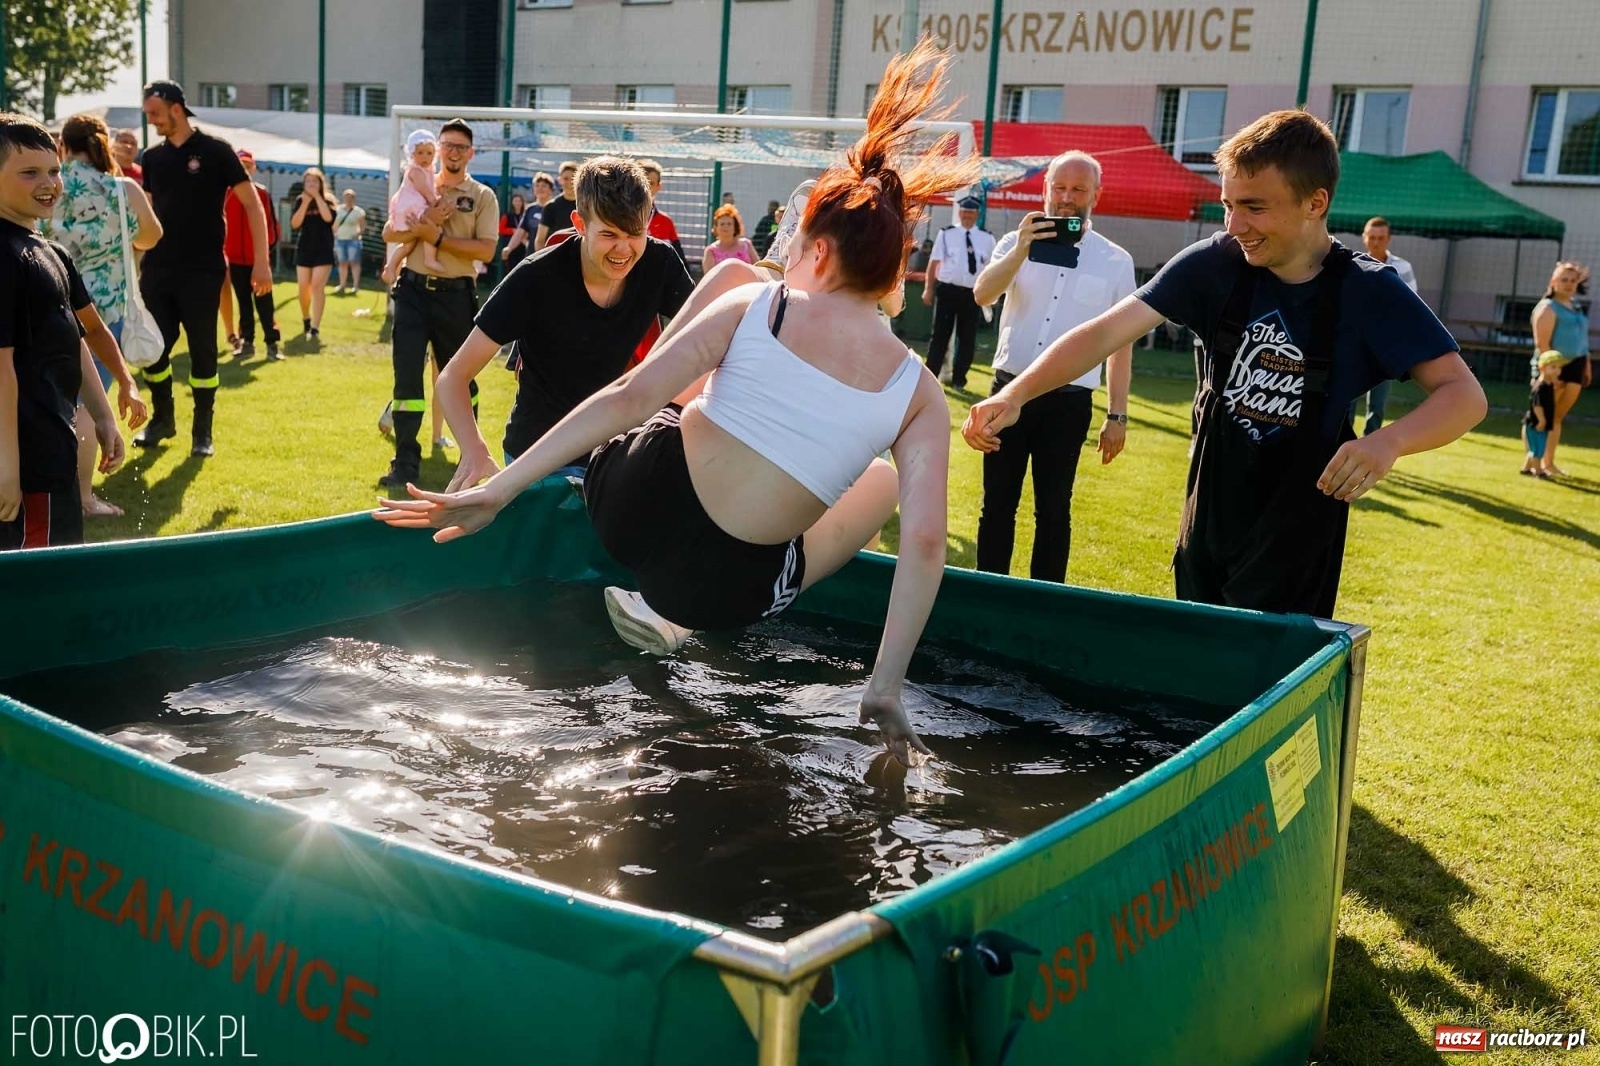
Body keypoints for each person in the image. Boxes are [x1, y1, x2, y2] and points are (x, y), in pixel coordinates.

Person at [376, 43, 978, 765]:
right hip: (724, 594)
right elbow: (925, 545)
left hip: (628, 508)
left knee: (690, 382)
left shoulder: (750, 294)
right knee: (878, 482)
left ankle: (664, 592)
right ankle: (678, 615)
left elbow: (631, 396)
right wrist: (885, 684)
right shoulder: (920, 391)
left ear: (816, 253)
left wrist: (500, 490)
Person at [963, 109, 1487, 619]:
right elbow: (1103, 333)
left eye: (1254, 207)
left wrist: (1387, 442)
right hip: (1208, 520)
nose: (1234, 225)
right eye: (1227, 204)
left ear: (1315, 202)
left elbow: (1463, 395)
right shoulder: (1213, 265)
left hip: (1298, 539)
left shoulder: (1369, 291)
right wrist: (1015, 393)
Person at [429, 155, 694, 491]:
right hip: (537, 456)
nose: (623, 249)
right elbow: (453, 377)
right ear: (580, 224)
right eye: (609, 234)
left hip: (611, 451)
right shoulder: (535, 277)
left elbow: (713, 339)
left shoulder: (660, 262)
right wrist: (474, 450)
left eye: (635, 233)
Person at [970, 150, 1136, 583]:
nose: (1066, 197)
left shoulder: (1115, 260)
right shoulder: (1013, 243)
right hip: (1007, 394)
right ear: (1045, 190)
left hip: (1069, 404)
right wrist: (1022, 249)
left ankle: (1044, 602)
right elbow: (983, 295)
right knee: (997, 505)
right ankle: (988, 594)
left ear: (1096, 195)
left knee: (1054, 509)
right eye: (1058, 187)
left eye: (1078, 189)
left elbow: (1121, 345)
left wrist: (1117, 414)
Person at [0, 112, 125, 549]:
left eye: (54, 170)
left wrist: (105, 412)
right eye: (29, 172)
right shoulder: (5, 257)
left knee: (61, 564)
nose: (48, 182)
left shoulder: (50, 251)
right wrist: (8, 465)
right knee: (35, 586)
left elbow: (76, 337)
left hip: (54, 451)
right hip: (24, 460)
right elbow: (2, 369)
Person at [135, 80, 273, 458]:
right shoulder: (152, 158)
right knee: (154, 349)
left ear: (176, 108)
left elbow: (252, 206)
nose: (152, 121)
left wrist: (262, 263)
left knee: (203, 353)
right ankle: (162, 419)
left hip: (203, 270)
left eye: (155, 113)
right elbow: (146, 216)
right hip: (158, 270)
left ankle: (202, 432)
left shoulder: (216, 152)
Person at [48, 113, 159, 518]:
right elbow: (152, 235)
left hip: (49, 301)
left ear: (64, 144)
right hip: (103, 309)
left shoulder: (46, 182)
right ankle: (81, 498)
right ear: (102, 143)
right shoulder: (120, 188)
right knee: (87, 404)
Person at [378, 118, 499, 489]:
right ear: (437, 147)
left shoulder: (481, 196)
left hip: (456, 296)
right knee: (407, 379)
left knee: (461, 378)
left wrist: (439, 238)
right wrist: (422, 228)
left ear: (470, 153)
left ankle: (469, 456)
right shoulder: (417, 182)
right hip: (412, 292)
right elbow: (389, 232)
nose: (452, 152)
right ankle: (405, 463)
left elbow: (487, 250)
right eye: (447, 145)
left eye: (461, 147)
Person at [922, 195, 996, 389]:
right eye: (964, 212)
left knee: (967, 339)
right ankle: (931, 377)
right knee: (939, 336)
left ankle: (959, 380)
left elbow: (991, 268)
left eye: (971, 213)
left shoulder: (987, 238)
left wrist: (991, 294)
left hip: (972, 294)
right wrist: (928, 288)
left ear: (977, 215)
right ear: (959, 213)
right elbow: (934, 262)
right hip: (948, 290)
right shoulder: (946, 233)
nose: (967, 216)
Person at [1354, 216, 1417, 435]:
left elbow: (1409, 304)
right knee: (1347, 398)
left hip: (1384, 344)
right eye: (1371, 237)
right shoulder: (1353, 265)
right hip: (1355, 342)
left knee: (1377, 402)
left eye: (1381, 238)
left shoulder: (1402, 267)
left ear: (1389, 239)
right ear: (1364, 238)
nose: (1376, 242)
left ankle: (1368, 446)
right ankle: (1342, 444)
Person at [1529, 260, 1590, 477]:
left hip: (1576, 365)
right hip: (1552, 367)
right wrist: (1549, 372)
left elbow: (1583, 341)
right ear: (1553, 282)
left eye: (1573, 280)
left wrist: (1587, 365)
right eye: (1564, 280)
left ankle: (1549, 462)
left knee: (1557, 416)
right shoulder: (1547, 308)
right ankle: (1533, 461)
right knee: (1540, 417)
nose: (1569, 284)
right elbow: (1542, 344)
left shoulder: (1576, 308)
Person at [224, 149, 280, 360]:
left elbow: (272, 226)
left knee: (265, 303)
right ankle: (247, 341)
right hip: (235, 258)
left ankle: (272, 343)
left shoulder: (262, 193)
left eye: (248, 166)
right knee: (243, 303)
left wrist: (265, 256)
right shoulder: (226, 193)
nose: (245, 170)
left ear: (254, 168)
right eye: (241, 166)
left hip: (258, 259)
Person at [630, 159, 687, 367]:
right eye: (642, 180)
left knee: (650, 355)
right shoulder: (620, 218)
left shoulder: (665, 222)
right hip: (622, 292)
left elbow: (678, 262)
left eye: (651, 182)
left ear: (658, 187)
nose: (646, 186)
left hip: (652, 297)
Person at [382, 131, 443, 285]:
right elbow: (426, 192)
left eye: (429, 153)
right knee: (434, 227)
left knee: (409, 244)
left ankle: (391, 266)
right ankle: (430, 259)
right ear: (412, 154)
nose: (425, 157)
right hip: (412, 208)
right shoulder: (416, 171)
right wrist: (435, 201)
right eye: (420, 152)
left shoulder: (428, 171)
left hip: (412, 208)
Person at [291, 166, 337, 340]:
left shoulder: (329, 200)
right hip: (305, 249)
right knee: (304, 287)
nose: (310, 184)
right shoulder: (299, 200)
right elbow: (295, 224)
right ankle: (306, 318)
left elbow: (328, 218)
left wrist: (317, 197)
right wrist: (304, 202)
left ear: (320, 183)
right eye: (308, 181)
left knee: (317, 286)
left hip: (323, 250)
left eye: (314, 181)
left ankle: (315, 327)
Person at [1521, 351, 1563, 478]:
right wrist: (1541, 420)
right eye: (1553, 367)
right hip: (1536, 423)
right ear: (1542, 368)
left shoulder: (1549, 384)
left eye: (1559, 367)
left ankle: (1526, 468)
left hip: (1541, 423)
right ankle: (1538, 471)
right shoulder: (1540, 387)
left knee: (1536, 447)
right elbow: (1537, 405)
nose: (1557, 370)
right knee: (1538, 449)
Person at [501, 171, 551, 271]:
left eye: (544, 186)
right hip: (532, 257)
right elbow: (520, 232)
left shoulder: (555, 207)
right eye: (537, 185)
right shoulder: (530, 209)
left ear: (551, 189)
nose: (540, 188)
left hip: (552, 257)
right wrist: (509, 248)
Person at [534, 160, 578, 251]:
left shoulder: (586, 206)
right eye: (566, 179)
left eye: (573, 178)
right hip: (556, 255)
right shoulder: (551, 207)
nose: (569, 182)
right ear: (560, 180)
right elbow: (540, 240)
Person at [701, 204, 755, 275]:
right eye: (722, 224)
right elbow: (708, 277)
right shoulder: (710, 251)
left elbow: (758, 268)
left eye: (729, 224)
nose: (726, 226)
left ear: (735, 227)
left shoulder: (747, 245)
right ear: (716, 228)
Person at [333, 188, 367, 295]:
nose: (348, 199)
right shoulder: (337, 210)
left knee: (354, 263)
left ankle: (355, 286)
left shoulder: (359, 212)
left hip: (353, 241)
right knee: (342, 263)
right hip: (340, 239)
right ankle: (342, 284)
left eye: (351, 197)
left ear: (354, 199)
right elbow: (333, 224)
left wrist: (357, 235)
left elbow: (362, 227)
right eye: (346, 197)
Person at [498, 192, 533, 274]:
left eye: (519, 201)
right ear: (512, 203)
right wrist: (513, 231)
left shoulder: (525, 215)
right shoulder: (507, 216)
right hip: (511, 244)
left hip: (523, 246)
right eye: (515, 201)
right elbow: (500, 230)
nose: (517, 203)